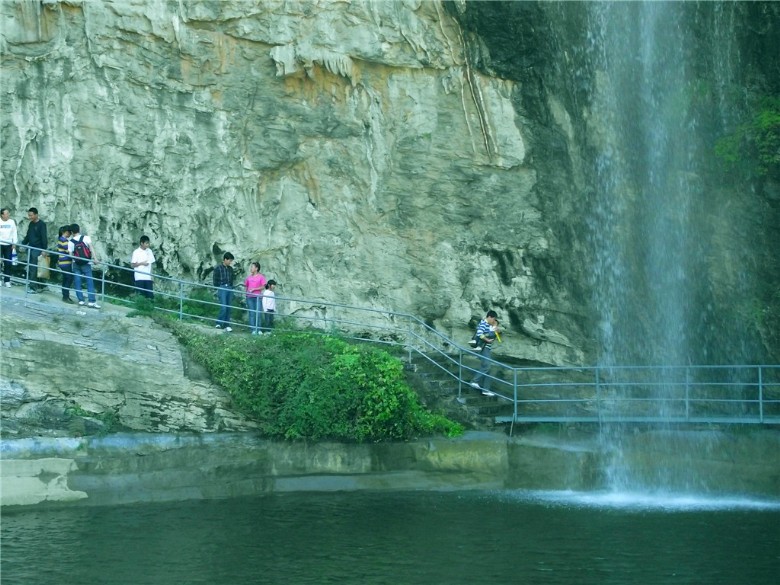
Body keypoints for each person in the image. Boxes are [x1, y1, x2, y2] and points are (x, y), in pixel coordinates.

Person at [69, 223, 100, 309]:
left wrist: (76, 260)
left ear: (71, 232)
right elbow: (91, 248)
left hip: (76, 264)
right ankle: (91, 301)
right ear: (79, 229)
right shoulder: (86, 238)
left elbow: (71, 255)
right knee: (89, 282)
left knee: (77, 282)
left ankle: (81, 300)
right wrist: (95, 259)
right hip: (86, 263)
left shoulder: (71, 242)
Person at [470, 310, 500, 396]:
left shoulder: (490, 325)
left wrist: (496, 330)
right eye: (493, 319)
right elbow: (479, 333)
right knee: (487, 366)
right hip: (483, 348)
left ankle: (485, 390)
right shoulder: (484, 323)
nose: (493, 321)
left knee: (488, 369)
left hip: (487, 348)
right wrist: (487, 339)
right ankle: (474, 381)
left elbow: (497, 338)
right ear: (489, 317)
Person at [21, 207, 47, 293]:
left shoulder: (42, 224)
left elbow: (44, 237)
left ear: (36, 215)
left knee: (33, 267)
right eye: (29, 215)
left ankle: (33, 287)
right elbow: (28, 235)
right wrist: (23, 244)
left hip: (37, 249)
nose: (30, 217)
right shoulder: (31, 224)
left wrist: (44, 249)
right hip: (31, 248)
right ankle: (41, 285)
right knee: (34, 267)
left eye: (31, 215)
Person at [213, 252, 235, 331]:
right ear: (225, 259)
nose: (230, 262)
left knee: (229, 307)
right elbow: (215, 280)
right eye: (230, 260)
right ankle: (218, 323)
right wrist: (218, 287)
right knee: (224, 307)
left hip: (229, 288)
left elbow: (232, 279)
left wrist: (231, 286)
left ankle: (226, 324)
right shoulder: (218, 268)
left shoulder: (230, 269)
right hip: (222, 287)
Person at [244, 262, 266, 334]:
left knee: (258, 313)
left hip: (257, 297)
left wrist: (255, 289)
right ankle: (253, 329)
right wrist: (246, 294)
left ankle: (258, 329)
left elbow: (263, 286)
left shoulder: (261, 277)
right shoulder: (248, 277)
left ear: (256, 268)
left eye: (252, 267)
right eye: (251, 267)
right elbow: (246, 286)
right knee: (252, 313)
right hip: (249, 297)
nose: (251, 268)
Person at [130, 235, 156, 300]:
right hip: (139, 276)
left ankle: (149, 308)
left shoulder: (149, 251)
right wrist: (141, 263)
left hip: (148, 277)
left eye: (148, 243)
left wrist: (152, 276)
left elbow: (151, 264)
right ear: (142, 243)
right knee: (141, 295)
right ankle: (140, 308)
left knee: (150, 295)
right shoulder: (136, 252)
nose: (148, 245)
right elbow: (132, 265)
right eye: (146, 243)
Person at [0, 207, 18, 288]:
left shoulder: (11, 222)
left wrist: (14, 243)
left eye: (8, 213)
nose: (8, 215)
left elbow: (14, 232)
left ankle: (7, 280)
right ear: (2, 215)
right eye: (6, 213)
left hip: (9, 245)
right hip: (0, 244)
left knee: (8, 263)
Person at [56, 225, 74, 303]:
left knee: (66, 279)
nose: (70, 234)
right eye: (69, 232)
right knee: (69, 278)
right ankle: (65, 296)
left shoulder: (62, 239)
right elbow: (68, 250)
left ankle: (65, 295)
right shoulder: (63, 240)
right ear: (65, 232)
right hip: (65, 263)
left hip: (64, 263)